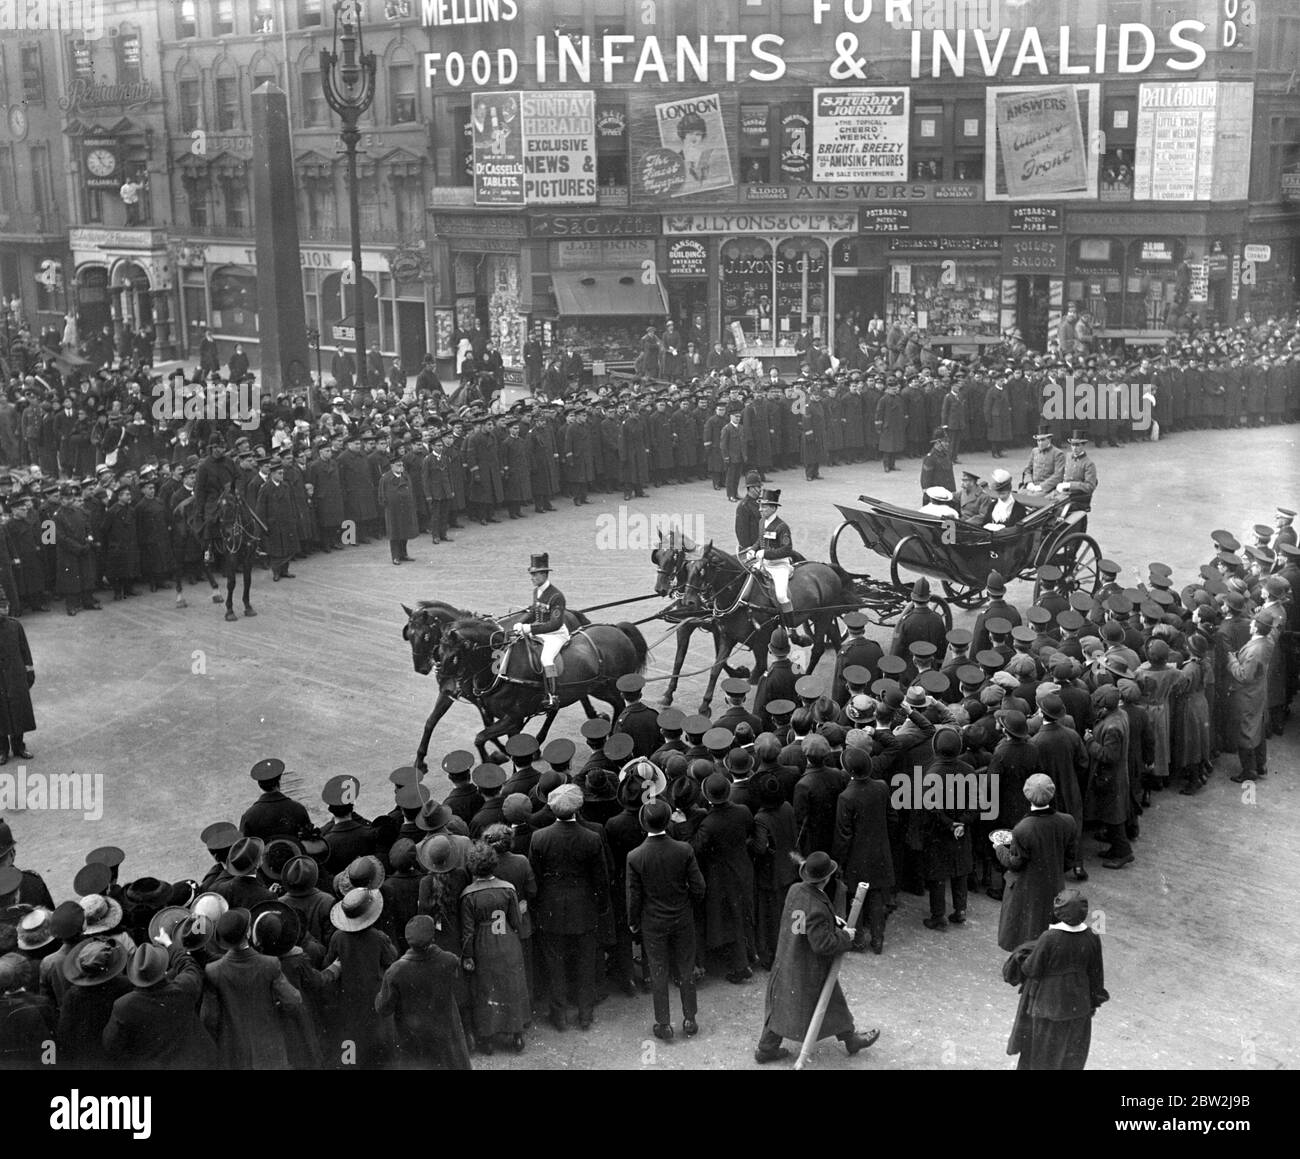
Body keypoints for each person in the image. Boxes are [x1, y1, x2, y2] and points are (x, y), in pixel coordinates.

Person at [753, 850, 879, 1064]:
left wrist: (831, 922)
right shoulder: (818, 906)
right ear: (827, 878)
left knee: (780, 1005)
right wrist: (844, 936)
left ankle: (766, 1048)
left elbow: (805, 924)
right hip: (809, 968)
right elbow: (822, 944)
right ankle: (850, 1039)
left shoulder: (795, 891)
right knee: (831, 1000)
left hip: (788, 959)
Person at [528, 784, 610, 1032]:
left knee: (555, 963)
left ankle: (559, 1014)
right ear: (578, 807)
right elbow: (601, 878)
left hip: (551, 906)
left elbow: (536, 877)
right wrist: (601, 905)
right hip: (584, 906)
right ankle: (585, 1012)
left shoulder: (539, 837)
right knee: (586, 961)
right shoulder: (592, 837)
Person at [626, 798, 706, 1041]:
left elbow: (633, 896)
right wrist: (688, 905)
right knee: (685, 967)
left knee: (658, 970)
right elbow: (699, 887)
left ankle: (663, 1023)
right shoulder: (684, 850)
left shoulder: (635, 856)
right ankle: (690, 1018)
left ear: (643, 823)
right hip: (682, 917)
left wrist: (633, 921)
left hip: (653, 921)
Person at [1005, 888, 1107, 1070]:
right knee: (1070, 1058)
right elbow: (1096, 975)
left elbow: (1032, 968)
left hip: (1048, 1008)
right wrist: (1093, 1002)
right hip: (1079, 1009)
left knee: (1041, 1058)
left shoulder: (1050, 937)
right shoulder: (1092, 937)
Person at [375, 914, 472, 1070]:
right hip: (445, 1032)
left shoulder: (395, 971)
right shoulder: (449, 960)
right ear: (432, 937)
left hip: (413, 1037)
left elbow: (383, 1008)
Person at [459, 840, 528, 1054]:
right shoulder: (508, 889)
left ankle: (488, 1038)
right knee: (511, 985)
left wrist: (468, 955)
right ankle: (517, 1035)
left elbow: (468, 931)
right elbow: (516, 922)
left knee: (485, 988)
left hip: (483, 943)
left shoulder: (468, 894)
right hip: (507, 941)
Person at [995, 773, 1077, 951]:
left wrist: (999, 848)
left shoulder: (1023, 828)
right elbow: (1070, 859)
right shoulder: (1067, 822)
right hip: (1053, 884)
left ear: (1027, 794)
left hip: (1026, 888)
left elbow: (1014, 862)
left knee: (1024, 931)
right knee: (1045, 930)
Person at [742, 487, 808, 645]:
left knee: (781, 596)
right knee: (745, 585)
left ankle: (791, 628)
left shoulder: (781, 527)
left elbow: (787, 549)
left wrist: (765, 554)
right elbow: (760, 541)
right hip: (763, 563)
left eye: (763, 507)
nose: (760, 509)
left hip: (779, 566)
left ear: (773, 507)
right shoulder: (761, 522)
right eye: (760, 506)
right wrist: (752, 549)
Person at [512, 552, 568, 708]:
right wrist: (519, 623)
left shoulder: (556, 596)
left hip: (555, 635)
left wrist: (529, 628)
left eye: (535, 574)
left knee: (546, 659)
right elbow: (532, 612)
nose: (532, 577)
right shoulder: (536, 591)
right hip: (541, 631)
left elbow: (554, 624)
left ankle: (552, 695)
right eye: (531, 574)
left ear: (544, 574)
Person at [1227, 615, 1277, 783]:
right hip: (1258, 691)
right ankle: (1260, 764)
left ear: (1256, 628)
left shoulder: (1256, 649)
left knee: (1246, 731)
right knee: (1257, 727)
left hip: (1247, 694)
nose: (1250, 624)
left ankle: (1249, 771)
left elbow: (1244, 676)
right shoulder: (1266, 642)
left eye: (1253, 622)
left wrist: (1232, 661)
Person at [0, 592, 35, 764]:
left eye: (6, 605)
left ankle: (19, 746)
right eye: (1, 606)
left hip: (15, 676)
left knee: (17, 710)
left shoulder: (15, 626)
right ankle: (2, 750)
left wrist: (29, 671)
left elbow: (24, 650)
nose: (5, 608)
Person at [377, 455, 418, 566]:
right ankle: (395, 556)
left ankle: (403, 554)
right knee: (394, 534)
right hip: (393, 511)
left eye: (402, 465)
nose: (401, 467)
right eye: (398, 465)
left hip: (406, 509)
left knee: (405, 532)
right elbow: (381, 496)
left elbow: (411, 491)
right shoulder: (385, 479)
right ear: (392, 466)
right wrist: (388, 506)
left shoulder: (405, 476)